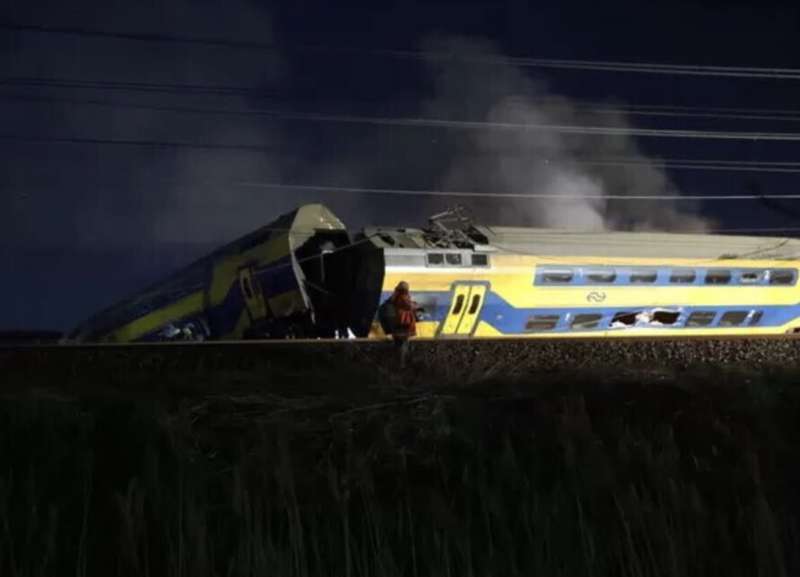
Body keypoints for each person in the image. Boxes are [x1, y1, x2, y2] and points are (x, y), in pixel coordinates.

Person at [390, 281, 419, 368]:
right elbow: (409, 306)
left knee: (398, 344)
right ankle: (402, 363)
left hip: (398, 322)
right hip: (404, 323)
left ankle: (399, 362)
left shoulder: (395, 296)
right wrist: (415, 304)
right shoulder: (403, 296)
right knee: (403, 344)